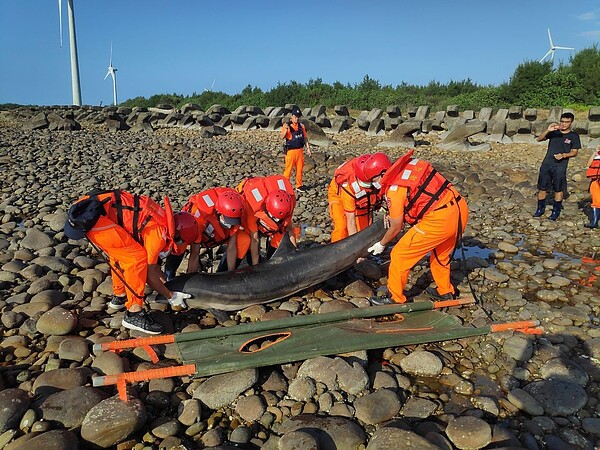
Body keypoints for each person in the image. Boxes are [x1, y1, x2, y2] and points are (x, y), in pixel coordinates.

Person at [63, 190, 198, 334]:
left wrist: (166, 287)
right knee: (136, 258)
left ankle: (120, 296)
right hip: (90, 218)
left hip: (90, 210)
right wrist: (171, 296)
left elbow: (154, 268)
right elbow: (149, 272)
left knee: (122, 253)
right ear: (178, 235)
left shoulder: (160, 217)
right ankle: (133, 313)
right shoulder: (158, 233)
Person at [367, 149, 469, 305]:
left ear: (382, 174)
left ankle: (394, 297)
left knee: (400, 255)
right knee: (440, 254)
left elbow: (396, 227)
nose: (373, 183)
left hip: (439, 220)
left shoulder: (394, 190)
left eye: (373, 179)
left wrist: (381, 244)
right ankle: (445, 291)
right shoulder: (408, 167)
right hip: (459, 209)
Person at [164, 187, 246, 278]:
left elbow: (232, 247)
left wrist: (231, 274)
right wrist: (190, 278)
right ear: (218, 212)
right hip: (193, 231)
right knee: (179, 247)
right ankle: (169, 277)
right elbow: (194, 254)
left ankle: (222, 274)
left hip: (217, 233)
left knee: (244, 240)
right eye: (228, 220)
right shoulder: (199, 219)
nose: (230, 224)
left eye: (232, 221)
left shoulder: (236, 210)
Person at [328, 152, 391, 242]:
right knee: (341, 226)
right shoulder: (348, 188)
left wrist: (388, 212)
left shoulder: (377, 174)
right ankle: (336, 251)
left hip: (363, 200)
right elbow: (351, 220)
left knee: (364, 230)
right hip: (338, 196)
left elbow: (388, 196)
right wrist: (354, 246)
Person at [236, 175, 297, 265]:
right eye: (274, 218)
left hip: (269, 210)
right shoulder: (251, 207)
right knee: (249, 239)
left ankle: (270, 261)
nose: (276, 220)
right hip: (249, 210)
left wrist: (294, 253)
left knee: (281, 235)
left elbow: (289, 228)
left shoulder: (289, 203)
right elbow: (254, 238)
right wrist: (255, 266)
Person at [533, 112, 581, 221]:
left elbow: (574, 152)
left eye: (567, 122)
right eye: (562, 121)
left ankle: (556, 211)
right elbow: (539, 139)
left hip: (560, 166)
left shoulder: (574, 136)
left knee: (558, 189)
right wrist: (548, 129)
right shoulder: (554, 132)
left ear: (571, 122)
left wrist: (563, 155)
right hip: (547, 163)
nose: (564, 124)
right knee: (542, 187)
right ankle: (540, 209)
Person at [281, 106, 312, 192]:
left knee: (300, 169)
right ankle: (284, 186)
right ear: (292, 116)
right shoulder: (287, 125)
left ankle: (299, 185)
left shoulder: (301, 126)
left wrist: (308, 148)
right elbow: (282, 136)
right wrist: (286, 129)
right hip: (290, 152)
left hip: (300, 151)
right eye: (295, 117)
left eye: (298, 117)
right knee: (288, 170)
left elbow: (305, 138)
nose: (297, 118)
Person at [585, 146, 600, 229]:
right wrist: (595, 152)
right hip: (595, 180)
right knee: (596, 200)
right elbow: (588, 165)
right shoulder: (596, 155)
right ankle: (594, 222)